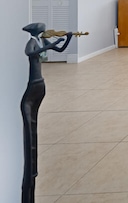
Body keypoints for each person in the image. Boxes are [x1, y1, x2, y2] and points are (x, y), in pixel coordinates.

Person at [21, 23, 73, 203]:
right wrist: (51, 44)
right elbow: (31, 54)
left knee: (32, 130)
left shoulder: (40, 40)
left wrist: (68, 37)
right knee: (29, 129)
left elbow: (58, 49)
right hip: (32, 85)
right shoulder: (32, 43)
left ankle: (30, 180)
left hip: (39, 83)